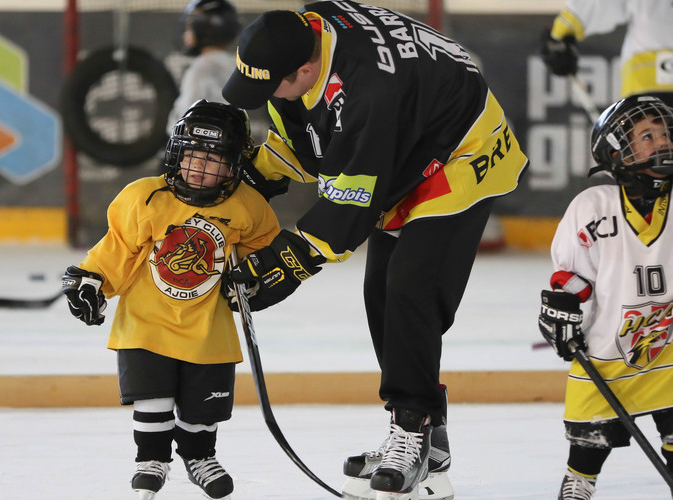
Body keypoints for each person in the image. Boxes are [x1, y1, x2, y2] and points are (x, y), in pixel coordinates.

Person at [219, 3, 529, 499]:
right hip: (410, 138)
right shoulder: (308, 30)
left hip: (462, 152)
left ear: (306, 69)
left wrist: (286, 263)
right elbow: (314, 136)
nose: (264, 97)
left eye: (271, 84)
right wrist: (259, 176)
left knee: (410, 288)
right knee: (381, 293)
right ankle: (432, 439)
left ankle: (413, 427)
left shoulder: (368, 93)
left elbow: (350, 202)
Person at [61, 100, 280, 500]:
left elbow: (262, 247)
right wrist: (92, 279)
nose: (200, 167)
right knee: (153, 398)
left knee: (203, 409)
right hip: (147, 321)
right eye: (193, 155)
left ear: (234, 166)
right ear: (176, 152)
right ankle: (152, 459)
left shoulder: (248, 206)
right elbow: (119, 248)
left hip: (208, 326)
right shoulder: (144, 197)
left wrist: (251, 279)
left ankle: (199, 457)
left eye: (214, 160)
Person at [538, 95, 673, 500]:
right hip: (608, 348)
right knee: (589, 442)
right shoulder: (593, 206)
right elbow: (572, 278)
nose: (662, 142)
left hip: (669, 347)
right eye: (646, 135)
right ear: (616, 150)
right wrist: (560, 309)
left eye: (664, 133)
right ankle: (580, 480)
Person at [541, 0, 673, 106]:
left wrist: (561, 32)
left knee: (648, 132)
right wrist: (561, 34)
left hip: (646, 90)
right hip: (647, 91)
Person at [165, 0, 240, 136]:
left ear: (206, 29)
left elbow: (183, 118)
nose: (185, 34)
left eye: (190, 27)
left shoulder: (202, 68)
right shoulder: (234, 63)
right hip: (227, 142)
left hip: (199, 147)